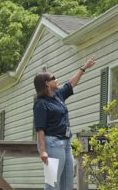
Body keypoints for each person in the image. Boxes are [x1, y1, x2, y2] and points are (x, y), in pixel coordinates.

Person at [33, 59, 96, 190]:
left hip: (66, 143)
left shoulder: (58, 95)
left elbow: (71, 84)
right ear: (47, 84)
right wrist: (43, 151)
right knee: (52, 184)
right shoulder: (40, 103)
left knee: (67, 184)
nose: (57, 79)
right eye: (53, 78)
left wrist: (83, 68)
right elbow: (40, 129)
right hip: (52, 143)